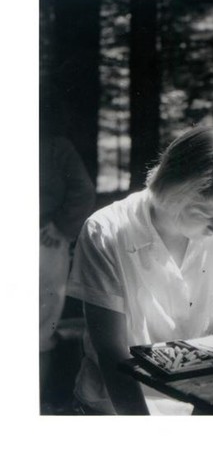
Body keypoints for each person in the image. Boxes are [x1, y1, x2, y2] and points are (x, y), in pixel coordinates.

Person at [67, 126, 213, 415]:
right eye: (210, 216)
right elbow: (112, 354)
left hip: (200, 404)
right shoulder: (105, 232)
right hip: (119, 411)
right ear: (177, 193)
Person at [40, 133, 96, 400]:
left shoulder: (53, 144)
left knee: (37, 328)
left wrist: (62, 226)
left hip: (42, 240)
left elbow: (83, 190)